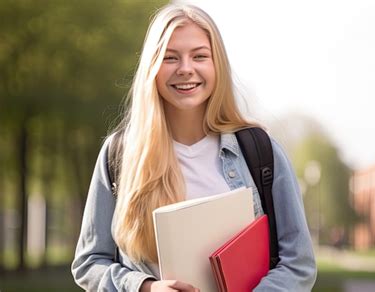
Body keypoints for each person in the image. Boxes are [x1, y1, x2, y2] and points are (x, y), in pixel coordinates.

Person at [71, 4, 316, 292]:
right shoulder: (120, 155)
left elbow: (298, 264)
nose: (186, 69)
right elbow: (89, 262)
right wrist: (145, 288)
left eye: (200, 56)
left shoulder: (261, 151)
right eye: (170, 57)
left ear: (217, 65)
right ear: (152, 66)